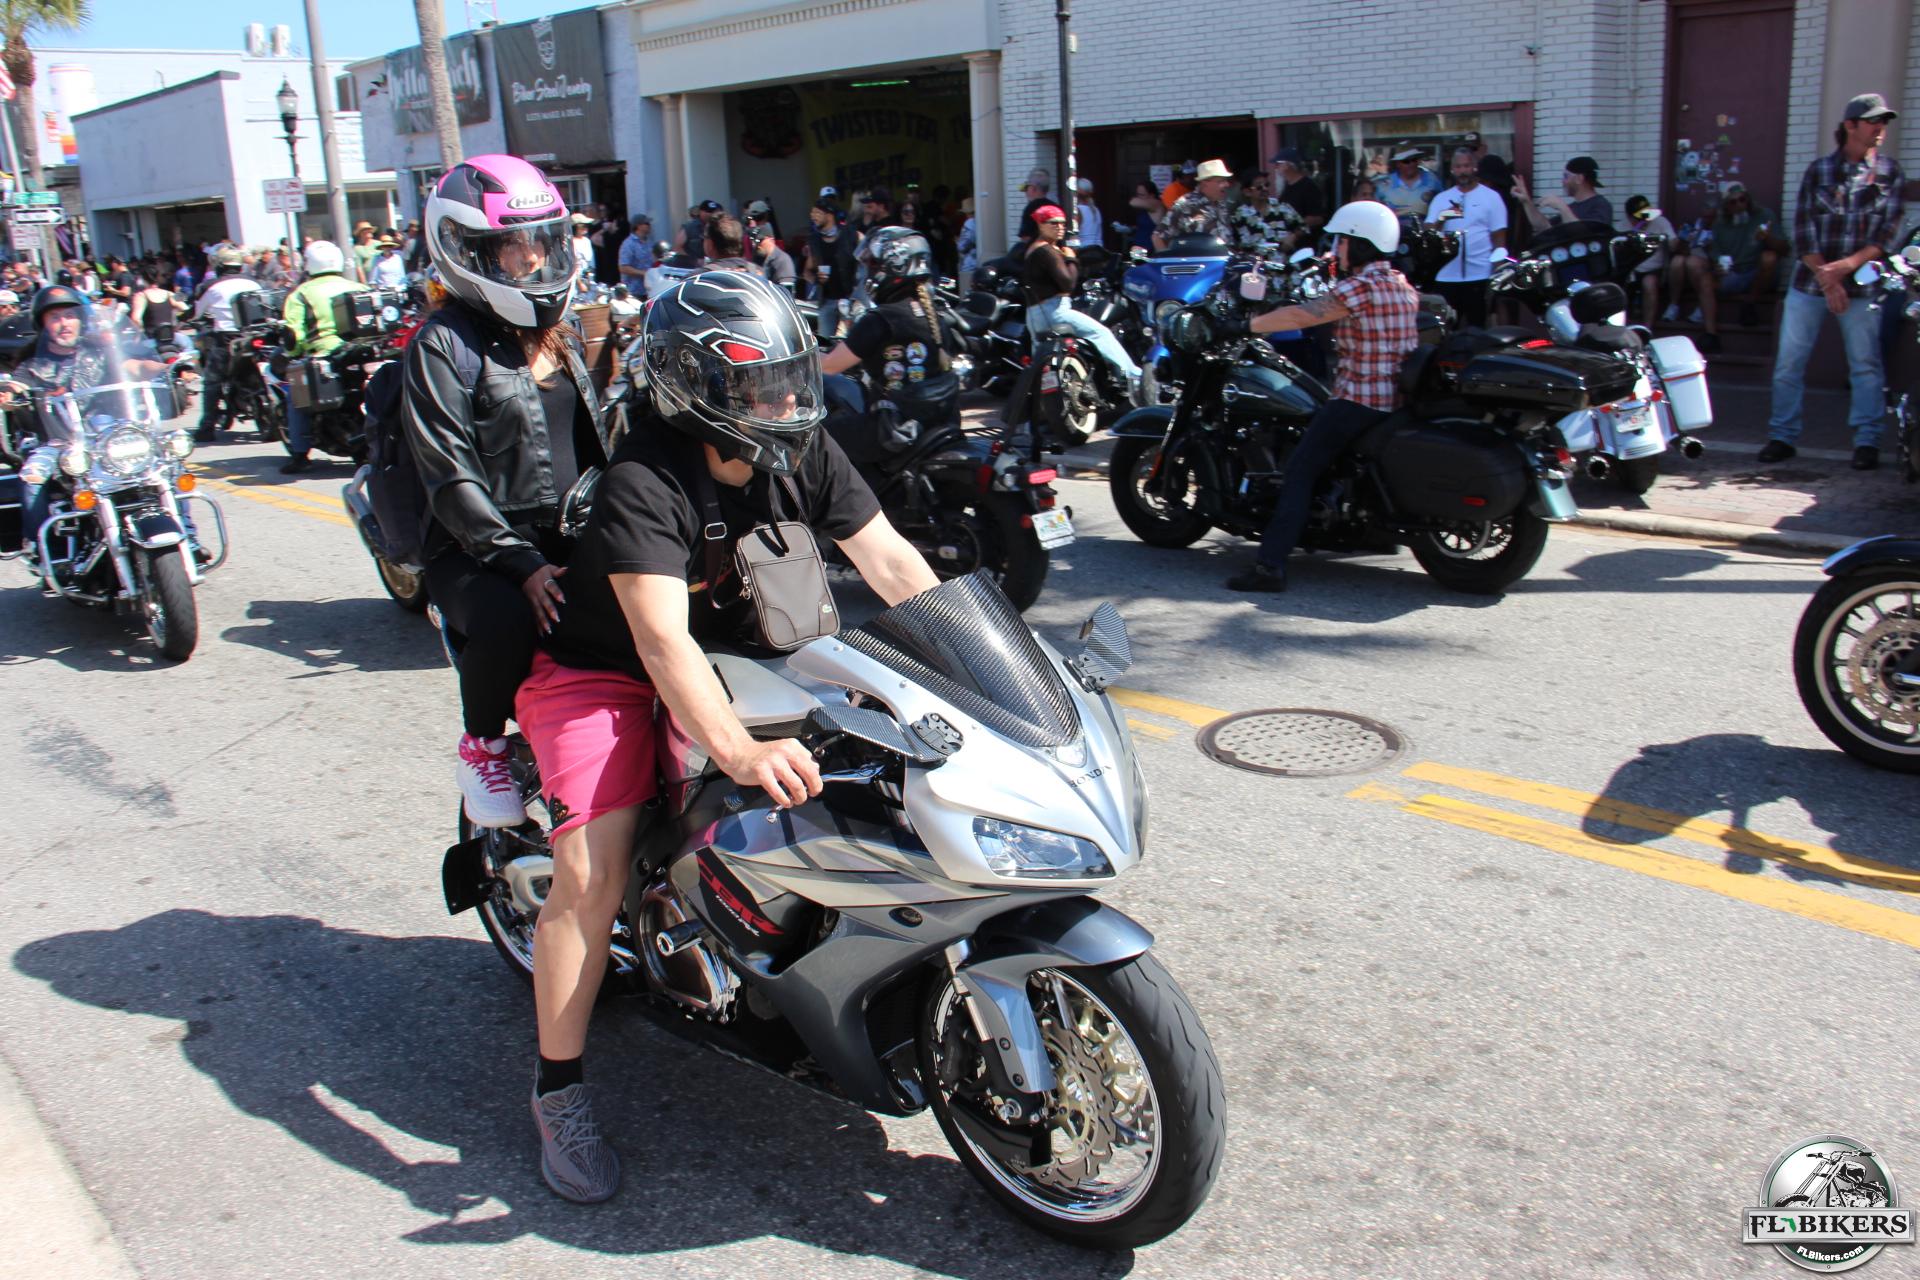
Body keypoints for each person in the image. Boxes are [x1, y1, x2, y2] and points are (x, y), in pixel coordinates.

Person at [512, 268, 936, 1201]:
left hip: (740, 653)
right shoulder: (645, 480)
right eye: (760, 387)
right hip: (604, 672)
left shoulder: (802, 449)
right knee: (592, 869)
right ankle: (558, 1091)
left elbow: (895, 565)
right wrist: (741, 751)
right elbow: (661, 645)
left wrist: (998, 662)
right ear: (693, 389)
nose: (786, 401)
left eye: (790, 378)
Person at [403, 155, 612, 835]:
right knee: (508, 619)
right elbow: (450, 476)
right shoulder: (442, 344)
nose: (531, 257)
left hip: (569, 534)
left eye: (539, 241)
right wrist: (519, 564)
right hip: (478, 551)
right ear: (466, 251)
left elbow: (601, 440)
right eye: (511, 245)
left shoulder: (565, 333)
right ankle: (484, 747)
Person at [1225, 202, 1420, 592]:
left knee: (1300, 470)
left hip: (1359, 399)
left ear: (1361, 243)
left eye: (1342, 241)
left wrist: (1246, 325)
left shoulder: (1361, 287)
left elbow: (1302, 315)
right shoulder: (1401, 284)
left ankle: (1270, 567)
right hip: (1395, 399)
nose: (1337, 248)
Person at [1760, 92, 1905, 470]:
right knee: (1789, 364)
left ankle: (1867, 441)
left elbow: (1886, 236)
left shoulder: (1889, 173)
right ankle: (1782, 436)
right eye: (1873, 121)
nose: (1880, 128)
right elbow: (1803, 230)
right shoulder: (1819, 171)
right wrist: (1829, 279)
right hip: (1810, 284)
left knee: (1865, 365)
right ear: (1850, 126)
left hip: (1863, 286)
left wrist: (1844, 268)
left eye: (1884, 122)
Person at [5, 287, 177, 554]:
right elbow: (16, 386)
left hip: (108, 436)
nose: (64, 323)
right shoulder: (33, 365)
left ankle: (187, 532)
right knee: (32, 477)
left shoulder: (100, 353)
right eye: (55, 317)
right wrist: (7, 393)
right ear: (43, 325)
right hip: (60, 441)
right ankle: (44, 548)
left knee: (164, 465)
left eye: (69, 315)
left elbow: (134, 366)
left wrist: (167, 368)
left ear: (81, 320)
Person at [820, 227, 963, 471]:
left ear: (894, 266)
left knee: (815, 438)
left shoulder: (880, 319)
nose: (868, 271)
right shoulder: (936, 316)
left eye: (873, 265)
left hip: (893, 429)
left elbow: (829, 366)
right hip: (939, 422)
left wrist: (800, 357)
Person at [1025, 204, 1144, 400]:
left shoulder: (1033, 249)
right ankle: (1135, 377)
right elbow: (1068, 284)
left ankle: (1036, 409)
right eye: (1053, 223)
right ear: (1040, 225)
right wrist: (1071, 259)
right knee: (1101, 333)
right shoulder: (1046, 251)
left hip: (1034, 315)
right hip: (1055, 312)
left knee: (1040, 366)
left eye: (1062, 223)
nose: (1059, 227)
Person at [277, 240, 368, 474]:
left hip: (326, 353)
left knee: (295, 397)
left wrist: (293, 352)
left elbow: (294, 334)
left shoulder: (301, 293)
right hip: (364, 351)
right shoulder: (358, 286)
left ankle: (300, 455)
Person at [1665, 182, 1785, 350]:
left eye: (1743, 200)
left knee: (1769, 257)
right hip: (1733, 273)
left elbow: (1784, 249)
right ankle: (1711, 334)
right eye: (1733, 202)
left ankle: (1750, 303)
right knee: (1706, 280)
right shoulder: (1720, 224)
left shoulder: (1764, 215)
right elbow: (1715, 256)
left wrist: (1767, 238)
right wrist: (1717, 268)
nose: (1740, 205)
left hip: (1758, 274)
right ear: (1726, 206)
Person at [1425, 147, 1507, 328]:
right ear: (1452, 169)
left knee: (1478, 327)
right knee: (1446, 328)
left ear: (1474, 167)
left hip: (1480, 274)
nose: (1463, 171)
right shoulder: (1442, 198)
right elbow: (1427, 234)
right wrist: (1442, 217)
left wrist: (1497, 273)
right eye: (1458, 167)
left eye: (1466, 166)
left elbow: (1499, 238)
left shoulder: (1491, 198)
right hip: (1446, 275)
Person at [191, 247, 263, 442]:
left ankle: (207, 426)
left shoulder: (210, 286)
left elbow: (196, 313)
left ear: (219, 265)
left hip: (228, 338)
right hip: (257, 335)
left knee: (211, 380)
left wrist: (187, 318)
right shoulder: (254, 282)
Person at [1512, 156, 1613, 232]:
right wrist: (1526, 201)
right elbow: (1544, 226)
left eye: (1566, 176)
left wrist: (1561, 207)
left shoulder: (1601, 205)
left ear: (1579, 178)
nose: (1563, 181)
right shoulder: (1572, 207)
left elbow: (1586, 235)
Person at [1155, 158, 1235, 250]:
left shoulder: (1221, 204)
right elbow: (1158, 237)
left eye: (1226, 180)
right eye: (1221, 181)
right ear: (1205, 183)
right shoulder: (1185, 204)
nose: (1227, 184)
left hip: (1225, 257)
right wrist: (1166, 257)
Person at [804, 199, 856, 339]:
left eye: (817, 212)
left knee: (853, 341)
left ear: (829, 215)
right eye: (812, 213)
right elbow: (807, 271)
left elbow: (864, 260)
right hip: (827, 301)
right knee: (824, 342)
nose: (813, 216)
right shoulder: (815, 240)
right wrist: (817, 279)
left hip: (851, 299)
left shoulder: (850, 234)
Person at [1623, 195, 1678, 328]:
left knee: (1649, 283)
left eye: (1647, 215)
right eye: (1640, 217)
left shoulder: (1660, 222)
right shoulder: (1621, 226)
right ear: (1630, 217)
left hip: (1653, 269)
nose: (1645, 219)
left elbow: (1674, 244)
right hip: (1630, 269)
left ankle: (1647, 330)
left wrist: (1670, 240)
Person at [1232, 168, 1305, 251]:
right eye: (1259, 187)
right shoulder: (1239, 216)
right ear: (1247, 192)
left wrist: (1292, 237)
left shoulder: (1281, 207)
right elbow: (1234, 244)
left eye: (1266, 185)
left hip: (1281, 257)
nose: (1264, 189)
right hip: (1254, 258)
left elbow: (1303, 227)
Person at [1271, 148, 1328, 236]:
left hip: (1305, 241)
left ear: (1288, 165)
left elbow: (1317, 218)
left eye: (1278, 164)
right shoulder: (1287, 186)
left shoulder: (1308, 187)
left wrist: (1294, 235)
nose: (1275, 167)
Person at [1378, 146, 1441, 220]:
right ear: (1398, 164)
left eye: (1414, 160)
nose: (1411, 164)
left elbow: (1442, 203)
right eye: (1406, 161)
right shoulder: (1383, 184)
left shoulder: (1432, 180)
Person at [750, 222, 797, 294]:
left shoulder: (783, 260)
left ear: (771, 239)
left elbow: (787, 293)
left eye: (759, 241)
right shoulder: (757, 259)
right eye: (754, 242)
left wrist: (762, 280)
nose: (757, 245)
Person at [677, 200, 722, 266]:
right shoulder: (689, 227)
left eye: (713, 212)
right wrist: (694, 260)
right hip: (692, 267)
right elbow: (678, 247)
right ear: (701, 212)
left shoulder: (717, 226)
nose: (711, 214)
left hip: (713, 266)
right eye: (708, 212)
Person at [617, 214, 654, 291]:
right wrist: (644, 273)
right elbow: (623, 268)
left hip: (649, 290)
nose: (650, 226)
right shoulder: (629, 244)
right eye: (647, 223)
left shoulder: (649, 242)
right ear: (638, 226)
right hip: (634, 290)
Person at [1072, 176, 1103, 249]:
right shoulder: (1096, 210)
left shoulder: (1078, 210)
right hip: (1098, 249)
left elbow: (1074, 235)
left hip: (1084, 250)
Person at [956, 196, 979, 293]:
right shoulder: (980, 221)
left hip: (970, 261)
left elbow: (964, 244)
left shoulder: (969, 223)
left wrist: (958, 243)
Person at [569, 214, 596, 287]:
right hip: (576, 281)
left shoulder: (587, 241)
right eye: (583, 225)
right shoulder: (571, 243)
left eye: (586, 225)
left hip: (589, 278)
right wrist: (579, 283)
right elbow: (573, 265)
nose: (586, 227)